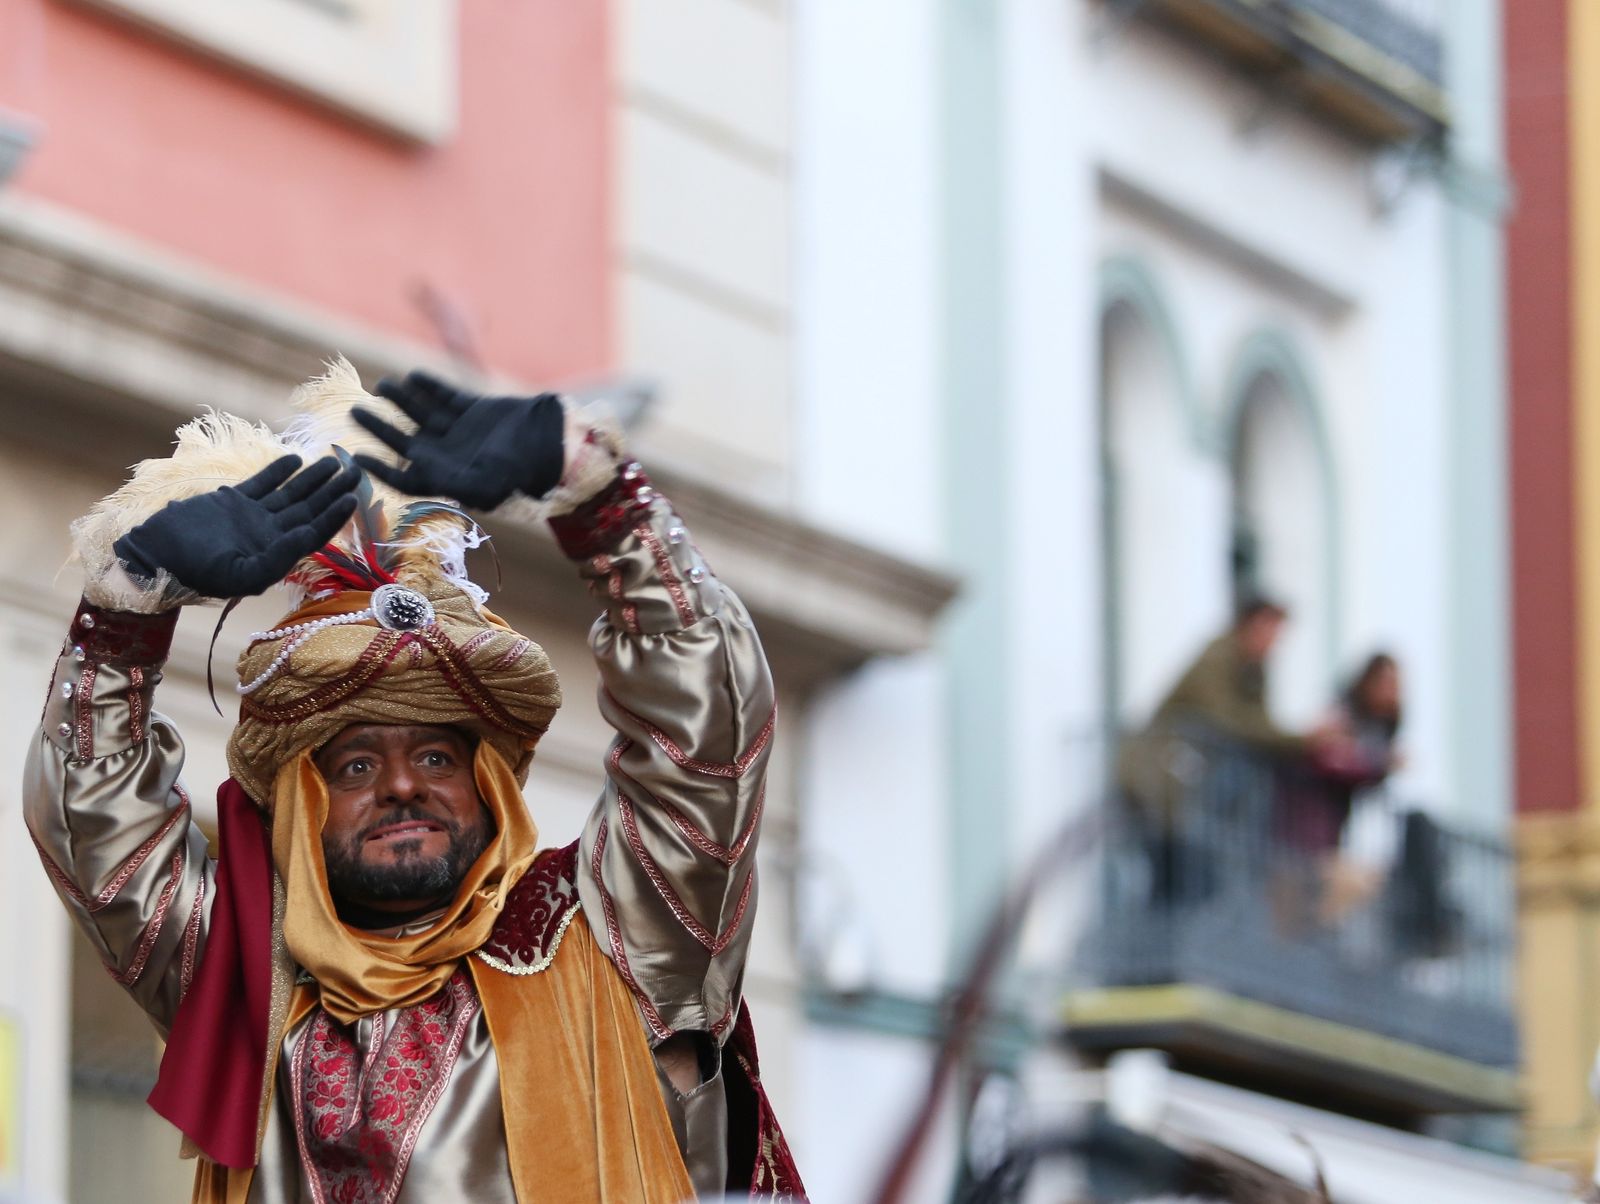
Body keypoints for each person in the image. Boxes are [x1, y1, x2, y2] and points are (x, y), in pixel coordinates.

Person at [23, 361, 804, 1201]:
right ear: (302, 804)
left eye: (437, 757)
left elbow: (707, 736)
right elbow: (92, 829)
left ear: (489, 785)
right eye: (356, 764)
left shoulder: (624, 931)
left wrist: (601, 499)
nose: (403, 785)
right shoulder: (245, 969)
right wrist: (125, 610)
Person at [1116, 597, 1309, 907]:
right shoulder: (1218, 661)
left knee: (1190, 877)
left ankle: (1178, 944)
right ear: (1251, 625)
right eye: (1271, 630)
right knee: (1175, 874)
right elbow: (1233, 723)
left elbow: (1259, 723)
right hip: (1161, 782)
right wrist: (1302, 740)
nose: (1275, 641)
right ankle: (1162, 949)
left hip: (1187, 789)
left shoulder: (1252, 670)